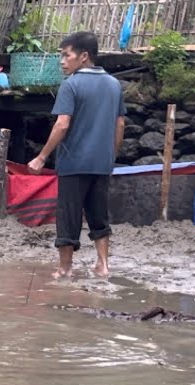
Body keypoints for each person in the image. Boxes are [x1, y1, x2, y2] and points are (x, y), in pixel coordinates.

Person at [27, 31, 126, 279]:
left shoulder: (70, 85)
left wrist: (41, 157)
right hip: (102, 164)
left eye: (66, 55)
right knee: (98, 214)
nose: (62, 61)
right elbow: (120, 125)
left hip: (74, 163)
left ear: (83, 57)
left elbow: (62, 124)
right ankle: (103, 265)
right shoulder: (114, 85)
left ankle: (65, 268)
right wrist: (111, 157)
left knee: (68, 216)